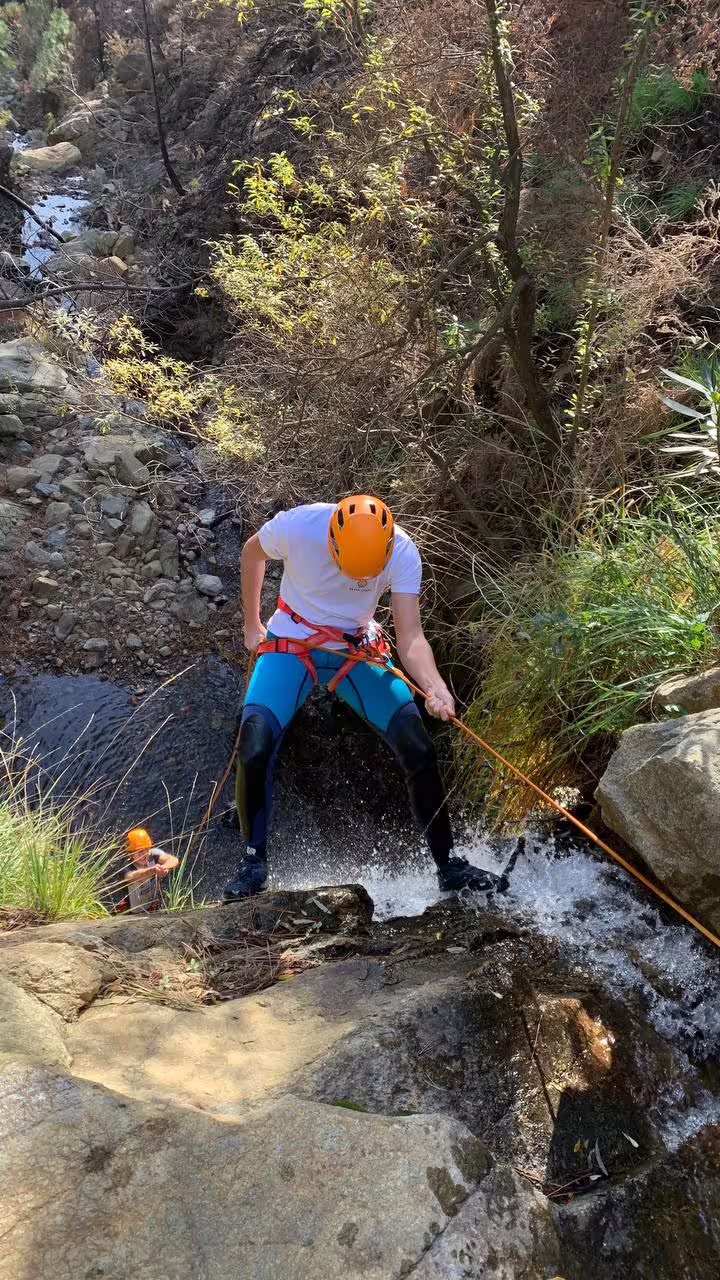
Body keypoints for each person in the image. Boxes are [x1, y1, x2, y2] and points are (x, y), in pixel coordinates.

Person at [223, 495, 500, 901]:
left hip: (355, 649)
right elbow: (252, 552)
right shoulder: (299, 527)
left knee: (417, 745)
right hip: (292, 641)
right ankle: (253, 864)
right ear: (332, 542)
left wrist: (435, 686)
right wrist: (252, 624)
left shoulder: (402, 552)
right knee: (254, 743)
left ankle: (448, 866)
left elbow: (410, 636)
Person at [117, 827, 179, 913]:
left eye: (145, 849)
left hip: (151, 903)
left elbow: (173, 860)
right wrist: (153, 871)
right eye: (139, 852)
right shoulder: (126, 867)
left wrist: (164, 868)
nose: (143, 855)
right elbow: (135, 876)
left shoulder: (153, 854)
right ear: (130, 853)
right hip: (131, 910)